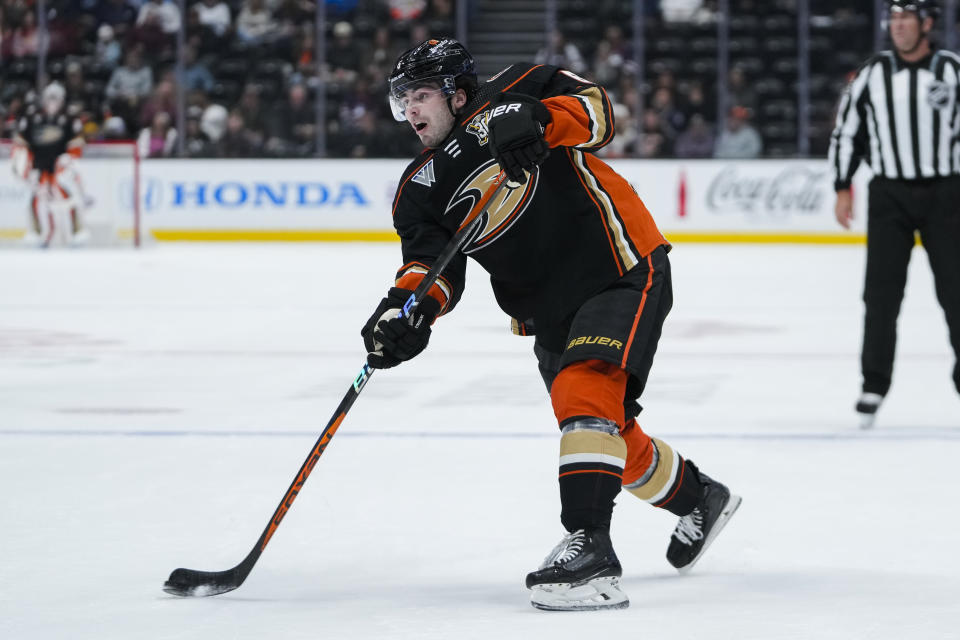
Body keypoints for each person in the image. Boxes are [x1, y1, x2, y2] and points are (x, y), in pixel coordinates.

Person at [360, 38, 742, 611]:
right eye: (403, 100)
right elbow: (431, 267)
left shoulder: (519, 87)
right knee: (606, 428)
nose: (410, 111)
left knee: (583, 392)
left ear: (456, 93)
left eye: (420, 96)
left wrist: (541, 120)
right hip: (545, 307)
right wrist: (406, 313)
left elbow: (600, 113)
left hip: (617, 263)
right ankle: (699, 498)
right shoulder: (418, 189)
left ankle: (591, 551)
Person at [828, 0, 960, 428]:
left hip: (947, 193)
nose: (898, 26)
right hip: (890, 195)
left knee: (956, 293)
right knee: (881, 296)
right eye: (894, 18)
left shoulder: (953, 70)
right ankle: (874, 383)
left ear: (927, 24)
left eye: (907, 18)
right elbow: (847, 132)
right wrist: (842, 185)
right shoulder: (872, 74)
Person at [10, 82, 93, 247]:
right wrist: (22, 162)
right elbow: (21, 144)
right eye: (50, 98)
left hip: (60, 166)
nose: (52, 102)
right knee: (35, 199)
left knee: (65, 195)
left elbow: (77, 145)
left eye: (56, 98)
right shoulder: (32, 118)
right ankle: (39, 234)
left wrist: (69, 159)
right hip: (38, 166)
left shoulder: (69, 119)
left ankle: (76, 232)